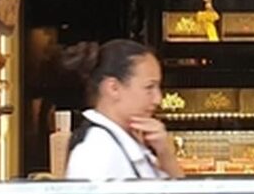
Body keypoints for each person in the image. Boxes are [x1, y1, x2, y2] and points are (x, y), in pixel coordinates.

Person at [61, 38, 184, 181]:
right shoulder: (96, 151)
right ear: (113, 88)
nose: (158, 99)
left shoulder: (124, 141)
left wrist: (165, 154)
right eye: (149, 87)